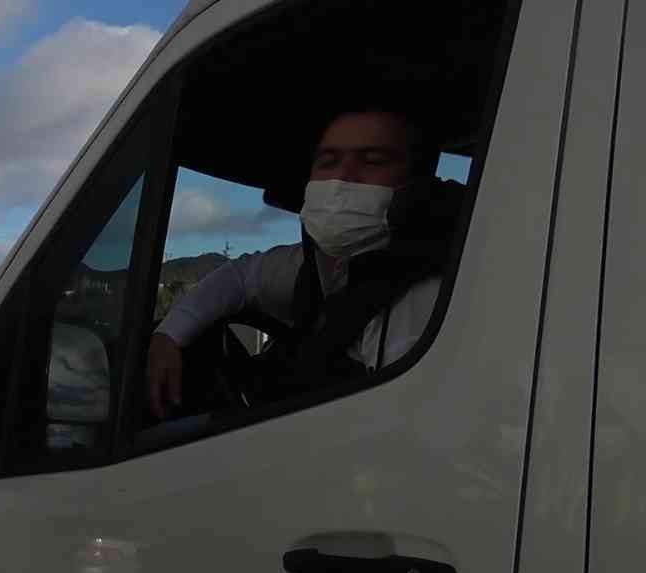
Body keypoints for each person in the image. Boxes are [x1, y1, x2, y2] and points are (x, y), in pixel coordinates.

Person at [147, 104, 460, 419]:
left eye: (374, 161)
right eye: (328, 161)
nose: (342, 178)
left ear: (417, 184)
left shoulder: (436, 287)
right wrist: (169, 334)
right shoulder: (317, 264)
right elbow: (241, 277)